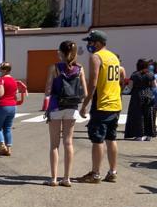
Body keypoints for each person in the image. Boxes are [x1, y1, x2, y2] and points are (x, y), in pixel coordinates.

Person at [75, 29, 124, 185]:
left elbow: (93, 83)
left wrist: (84, 105)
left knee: (97, 140)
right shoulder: (113, 57)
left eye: (90, 42)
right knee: (111, 138)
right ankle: (112, 171)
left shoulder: (96, 57)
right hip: (115, 103)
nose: (89, 45)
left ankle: (95, 174)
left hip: (102, 104)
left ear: (97, 42)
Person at [42, 40, 87, 187]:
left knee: (54, 144)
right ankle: (66, 178)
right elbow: (85, 93)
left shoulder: (54, 68)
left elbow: (48, 90)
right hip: (72, 107)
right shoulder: (80, 69)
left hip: (56, 107)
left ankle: (53, 178)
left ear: (61, 52)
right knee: (68, 142)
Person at [0, 62, 26, 157]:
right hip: (12, 106)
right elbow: (15, 94)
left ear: (4, 70)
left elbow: (0, 94)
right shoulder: (14, 81)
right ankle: (9, 148)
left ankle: (2, 146)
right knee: (7, 128)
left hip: (2, 105)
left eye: (0, 69)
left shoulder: (1, 80)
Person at [124, 58, 156, 141]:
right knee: (149, 115)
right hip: (148, 95)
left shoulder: (134, 75)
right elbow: (154, 86)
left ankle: (139, 135)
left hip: (137, 95)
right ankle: (149, 135)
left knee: (138, 115)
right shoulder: (150, 74)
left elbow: (130, 87)